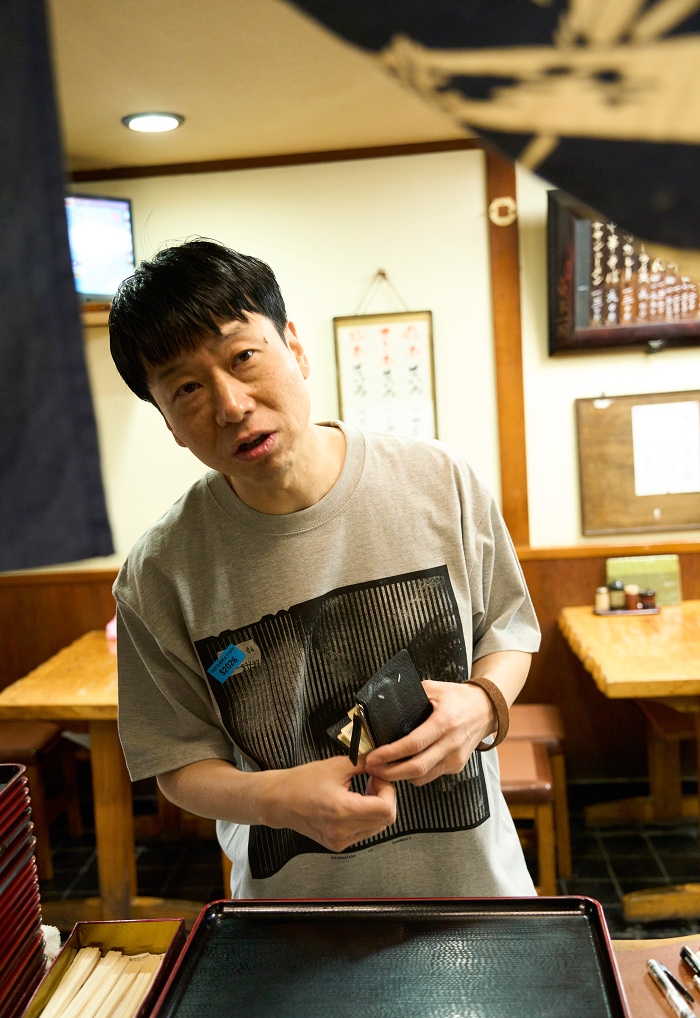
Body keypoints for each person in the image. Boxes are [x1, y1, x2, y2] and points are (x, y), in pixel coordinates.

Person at [109, 238, 541, 899]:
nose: (231, 405)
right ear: (168, 421)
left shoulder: (439, 479)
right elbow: (177, 760)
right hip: (291, 918)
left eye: (243, 357)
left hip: (477, 893)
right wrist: (275, 797)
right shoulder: (159, 574)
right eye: (187, 388)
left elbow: (508, 631)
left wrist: (483, 706)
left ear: (295, 347)